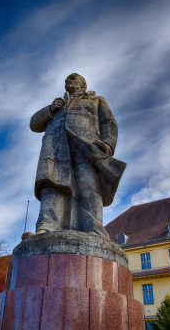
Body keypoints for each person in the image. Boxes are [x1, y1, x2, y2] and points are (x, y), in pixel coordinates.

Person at [30, 73, 126, 237]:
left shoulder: (96, 100)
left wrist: (107, 144)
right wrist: (50, 109)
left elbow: (108, 123)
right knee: (52, 184)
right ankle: (47, 226)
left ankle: (93, 229)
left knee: (88, 185)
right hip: (56, 147)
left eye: (72, 78)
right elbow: (34, 124)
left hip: (86, 146)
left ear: (83, 84)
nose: (68, 81)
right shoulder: (57, 105)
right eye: (66, 79)